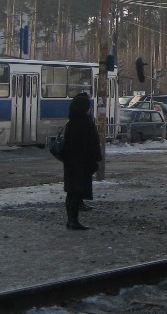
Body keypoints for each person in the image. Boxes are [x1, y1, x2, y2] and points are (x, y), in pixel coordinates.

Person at [61, 92, 102, 230]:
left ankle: (72, 220)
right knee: (76, 191)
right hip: (81, 163)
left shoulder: (71, 122)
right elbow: (91, 144)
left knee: (72, 191)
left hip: (71, 163)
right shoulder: (84, 123)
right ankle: (73, 221)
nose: (89, 109)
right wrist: (95, 160)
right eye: (88, 107)